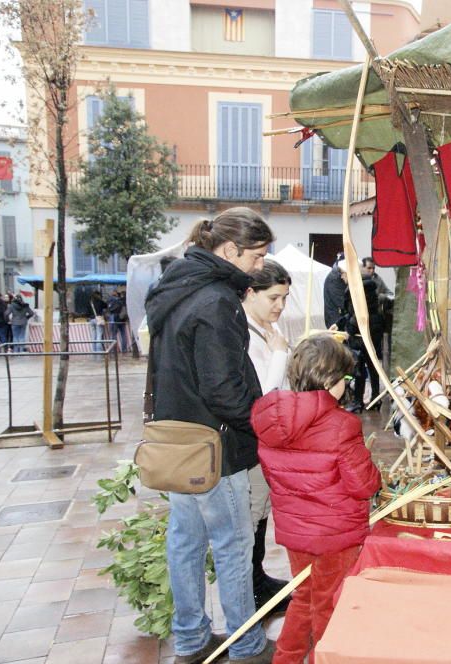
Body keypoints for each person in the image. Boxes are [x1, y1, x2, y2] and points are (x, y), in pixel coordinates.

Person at [145, 207, 276, 664]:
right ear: (229, 250)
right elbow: (223, 388)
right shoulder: (218, 299)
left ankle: (190, 641)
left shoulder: (176, 286)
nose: (261, 265)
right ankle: (245, 644)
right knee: (233, 545)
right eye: (257, 256)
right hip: (216, 446)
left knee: (185, 543)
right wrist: (261, 421)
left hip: (177, 438)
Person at [251, 333, 381, 664]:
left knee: (304, 596)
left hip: (296, 534)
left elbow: (277, 477)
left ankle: (286, 657)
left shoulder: (272, 422)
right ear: (333, 379)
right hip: (336, 536)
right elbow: (363, 485)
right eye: (347, 378)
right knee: (329, 603)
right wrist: (375, 470)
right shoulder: (342, 424)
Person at [242, 259, 293, 612]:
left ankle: (258, 578)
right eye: (273, 297)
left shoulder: (264, 330)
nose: (280, 306)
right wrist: (280, 355)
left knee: (260, 513)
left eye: (284, 299)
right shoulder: (244, 333)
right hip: (250, 441)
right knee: (250, 515)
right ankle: (249, 589)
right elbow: (264, 395)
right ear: (250, 293)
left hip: (266, 444)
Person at [341, 264, 384, 412]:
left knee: (358, 368)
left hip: (361, 333)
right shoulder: (371, 286)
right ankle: (376, 398)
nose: (342, 277)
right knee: (373, 367)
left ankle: (358, 402)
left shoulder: (358, 288)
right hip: (374, 331)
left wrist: (349, 329)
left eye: (344, 274)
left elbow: (358, 313)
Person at [323, 258, 347, 330]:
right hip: (336, 318)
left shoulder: (336, 276)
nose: (342, 277)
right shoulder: (335, 278)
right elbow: (341, 302)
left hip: (338, 318)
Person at [106, 289, 131, 354]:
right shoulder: (122, 300)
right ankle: (124, 350)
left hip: (114, 318)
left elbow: (108, 309)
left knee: (113, 335)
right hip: (122, 318)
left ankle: (113, 350)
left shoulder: (110, 300)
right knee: (123, 334)